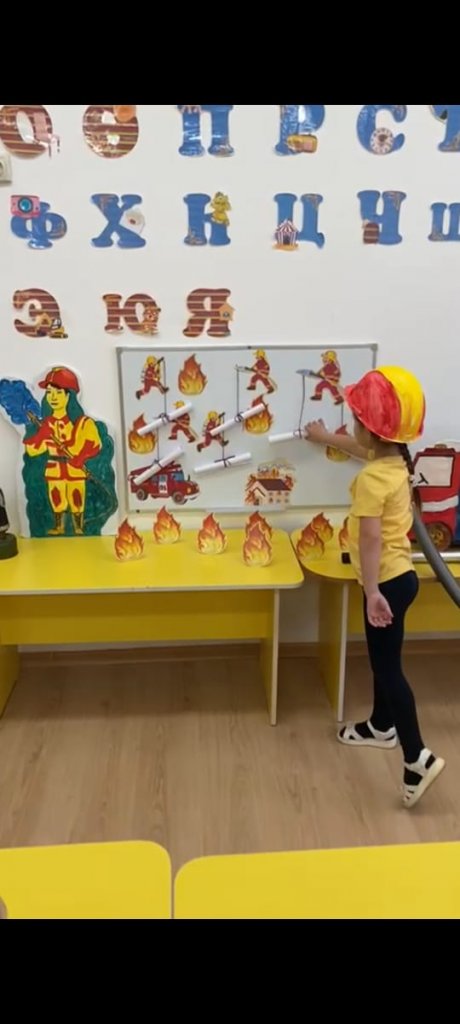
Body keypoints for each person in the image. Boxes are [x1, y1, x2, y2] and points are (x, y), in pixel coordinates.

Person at [305, 365, 445, 808]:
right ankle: (381, 725)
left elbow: (369, 538)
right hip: (402, 579)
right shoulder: (395, 462)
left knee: (387, 669)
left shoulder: (370, 480)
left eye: (354, 420)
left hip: (384, 584)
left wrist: (371, 593)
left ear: (368, 429)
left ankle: (416, 756)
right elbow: (364, 448)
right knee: (384, 658)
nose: (351, 427)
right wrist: (325, 438)